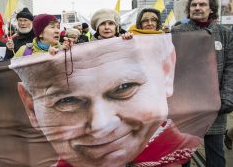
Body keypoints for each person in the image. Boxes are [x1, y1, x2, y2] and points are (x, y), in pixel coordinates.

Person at [11, 35, 201, 167]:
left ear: (166, 73)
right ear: (31, 108)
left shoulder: (179, 154)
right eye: (67, 101)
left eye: (124, 88)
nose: (101, 126)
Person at [172, 0, 233, 167]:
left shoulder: (224, 33)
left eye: (202, 4)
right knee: (183, 155)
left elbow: (231, 66)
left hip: (215, 104)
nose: (197, 7)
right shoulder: (177, 32)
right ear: (189, 8)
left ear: (211, 9)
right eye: (194, 4)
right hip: (186, 106)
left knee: (216, 157)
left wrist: (227, 97)